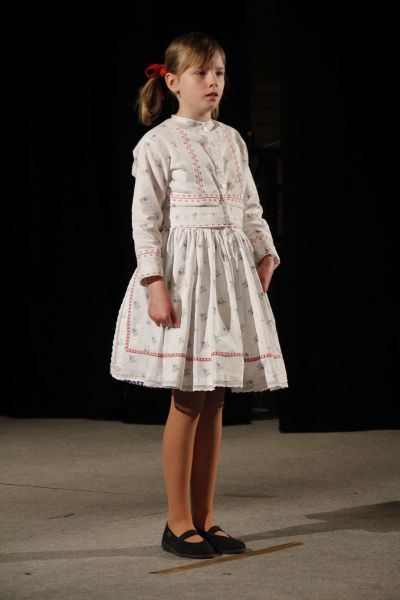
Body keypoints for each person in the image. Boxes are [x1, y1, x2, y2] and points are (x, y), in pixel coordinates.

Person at [110, 31, 288, 559]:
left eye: (220, 73)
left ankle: (207, 517)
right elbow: (145, 220)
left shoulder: (232, 140)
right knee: (188, 398)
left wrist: (265, 251)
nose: (214, 82)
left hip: (227, 277)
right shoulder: (158, 143)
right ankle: (178, 520)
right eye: (202, 73)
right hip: (187, 278)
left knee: (215, 399)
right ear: (172, 81)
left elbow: (250, 206)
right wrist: (155, 284)